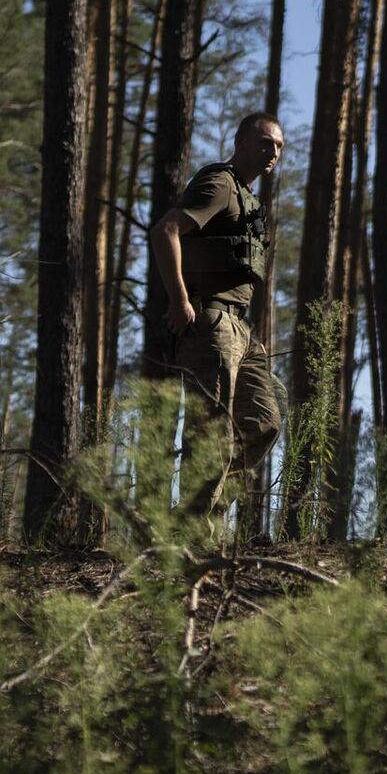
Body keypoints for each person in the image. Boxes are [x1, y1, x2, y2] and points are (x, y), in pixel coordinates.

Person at [149, 112, 286, 520]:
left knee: (264, 420)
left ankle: (196, 516)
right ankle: (191, 535)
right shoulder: (219, 184)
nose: (273, 152)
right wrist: (180, 299)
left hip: (238, 327)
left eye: (279, 146)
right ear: (240, 142)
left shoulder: (246, 195)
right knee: (210, 431)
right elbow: (166, 231)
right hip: (211, 322)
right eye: (265, 142)